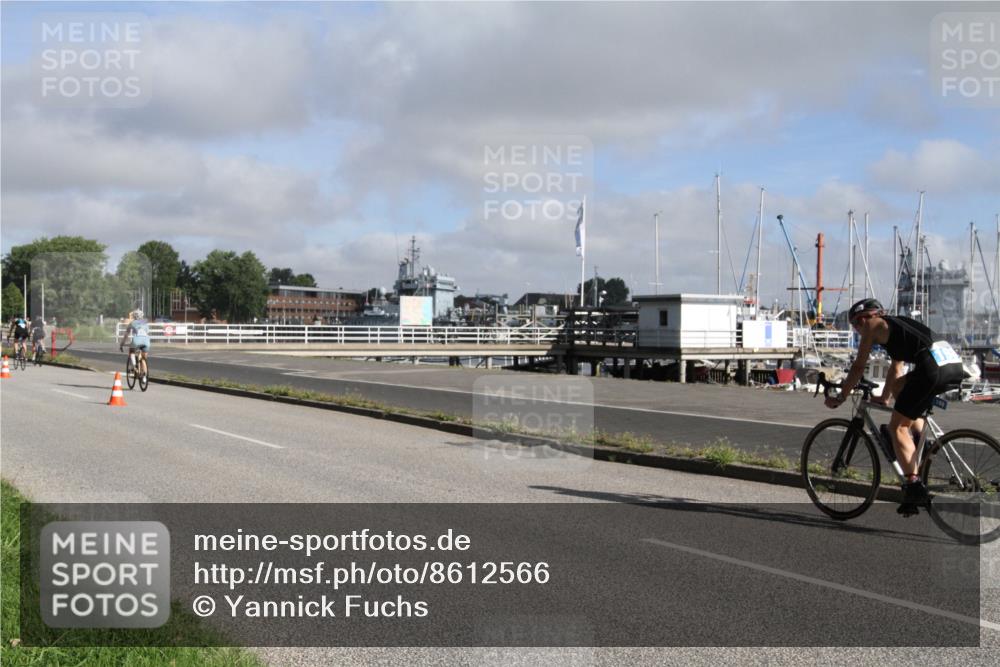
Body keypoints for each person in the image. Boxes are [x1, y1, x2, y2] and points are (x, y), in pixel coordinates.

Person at [825, 298, 966, 516]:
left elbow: (858, 366)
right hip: (952, 365)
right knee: (901, 388)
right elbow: (896, 369)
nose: (858, 331)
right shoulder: (895, 327)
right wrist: (883, 397)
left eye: (855, 326)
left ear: (863, 319)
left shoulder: (872, 326)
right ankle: (921, 440)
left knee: (896, 428)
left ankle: (914, 485)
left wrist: (841, 396)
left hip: (933, 370)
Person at [119, 309, 151, 377]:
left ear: (134, 316)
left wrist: (122, 344)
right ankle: (144, 377)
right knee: (143, 359)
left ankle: (134, 367)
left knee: (131, 351)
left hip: (136, 340)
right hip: (146, 341)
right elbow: (147, 333)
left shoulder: (132, 323)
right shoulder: (145, 323)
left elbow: (126, 336)